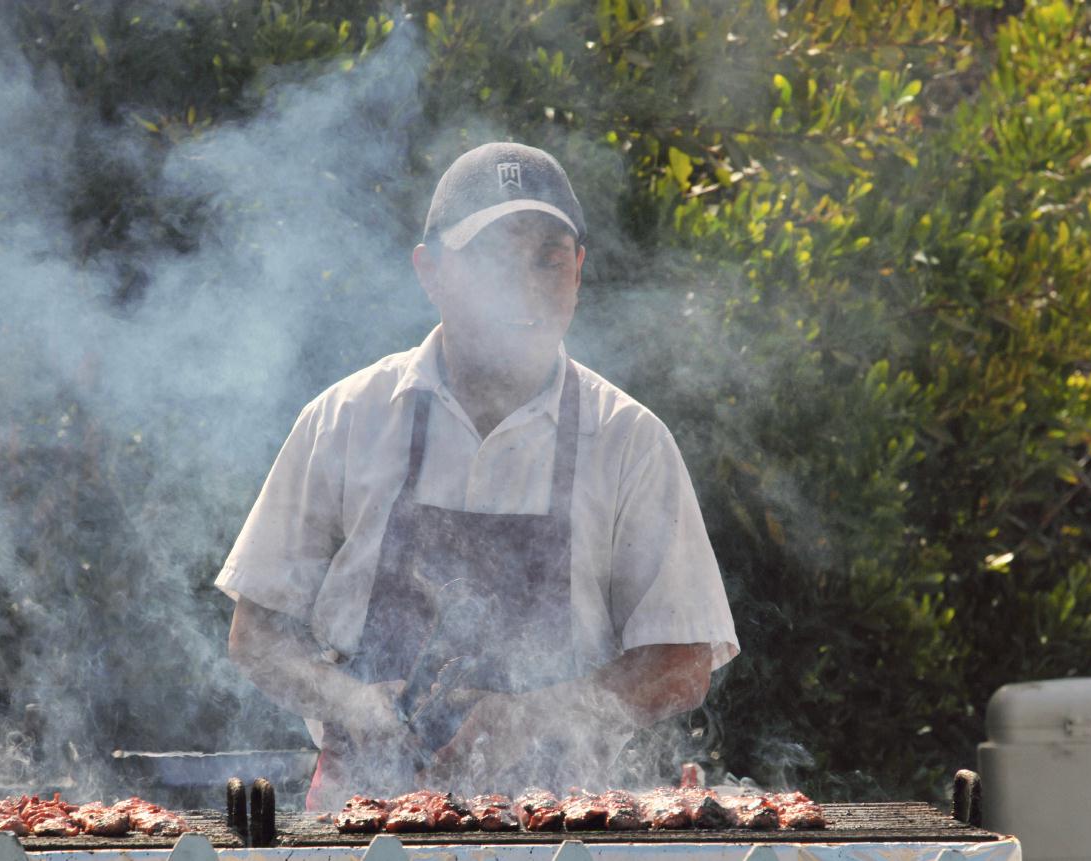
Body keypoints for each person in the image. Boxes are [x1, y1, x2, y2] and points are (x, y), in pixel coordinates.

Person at [216, 142, 738, 810]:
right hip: (359, 823)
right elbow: (256, 633)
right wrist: (350, 701)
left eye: (548, 257)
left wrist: (537, 715)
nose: (522, 284)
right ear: (429, 272)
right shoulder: (347, 419)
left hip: (559, 828)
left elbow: (682, 661)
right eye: (490, 256)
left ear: (578, 271)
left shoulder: (628, 441)